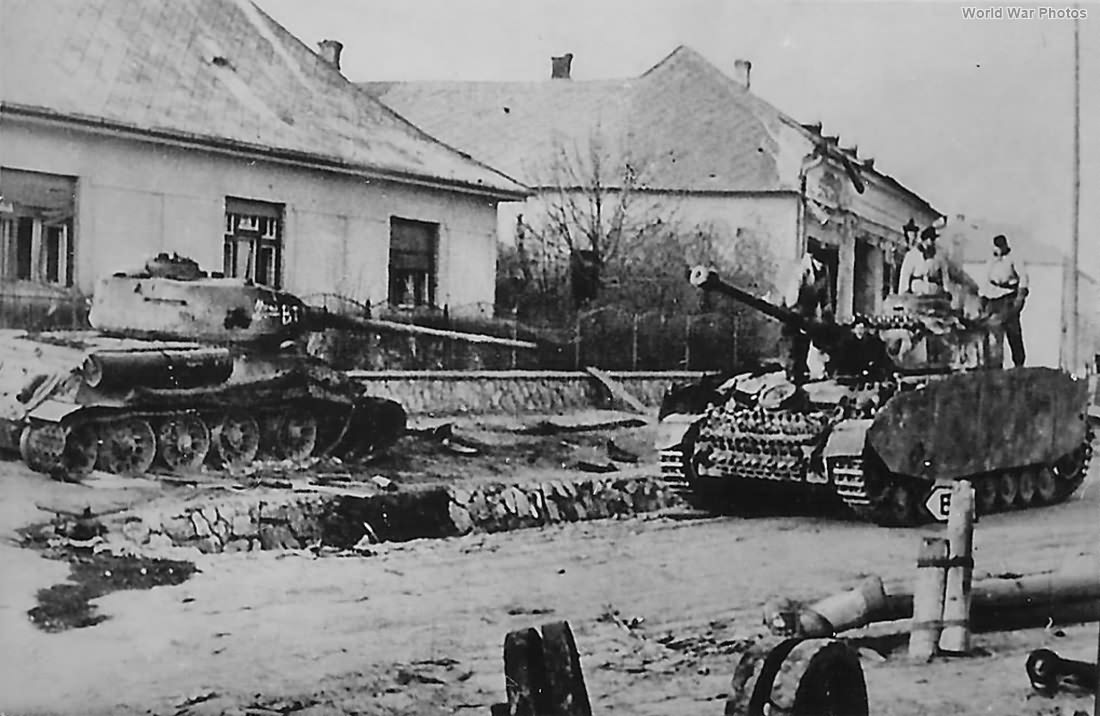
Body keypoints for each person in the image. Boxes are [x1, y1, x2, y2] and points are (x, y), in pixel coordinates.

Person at [782, 247, 834, 382]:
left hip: (809, 315)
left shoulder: (823, 271)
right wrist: (797, 313)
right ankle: (792, 374)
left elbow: (825, 297)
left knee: (805, 345)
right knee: (794, 347)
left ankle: (801, 373)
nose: (821, 266)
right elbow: (792, 297)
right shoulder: (801, 270)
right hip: (796, 313)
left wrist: (827, 313)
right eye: (819, 263)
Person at [980, 234, 1029, 367]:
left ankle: (1019, 363)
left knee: (1013, 332)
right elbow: (985, 278)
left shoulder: (1014, 258)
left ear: (1004, 246)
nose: (997, 251)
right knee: (993, 333)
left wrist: (1020, 298)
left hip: (1008, 297)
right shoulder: (992, 259)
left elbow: (1023, 278)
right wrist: (982, 299)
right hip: (993, 297)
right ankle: (995, 366)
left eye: (999, 248)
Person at [829, 316, 894, 380]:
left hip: (868, 371)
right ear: (853, 330)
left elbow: (876, 357)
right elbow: (843, 359)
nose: (860, 331)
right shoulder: (847, 343)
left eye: (862, 328)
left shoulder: (871, 342)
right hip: (852, 372)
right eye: (858, 328)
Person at [898, 226, 950, 295]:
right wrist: (903, 294)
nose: (931, 242)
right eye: (930, 239)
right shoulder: (912, 254)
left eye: (933, 239)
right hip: (917, 291)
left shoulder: (939, 256)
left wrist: (947, 290)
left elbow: (945, 274)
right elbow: (905, 275)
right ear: (924, 240)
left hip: (933, 291)